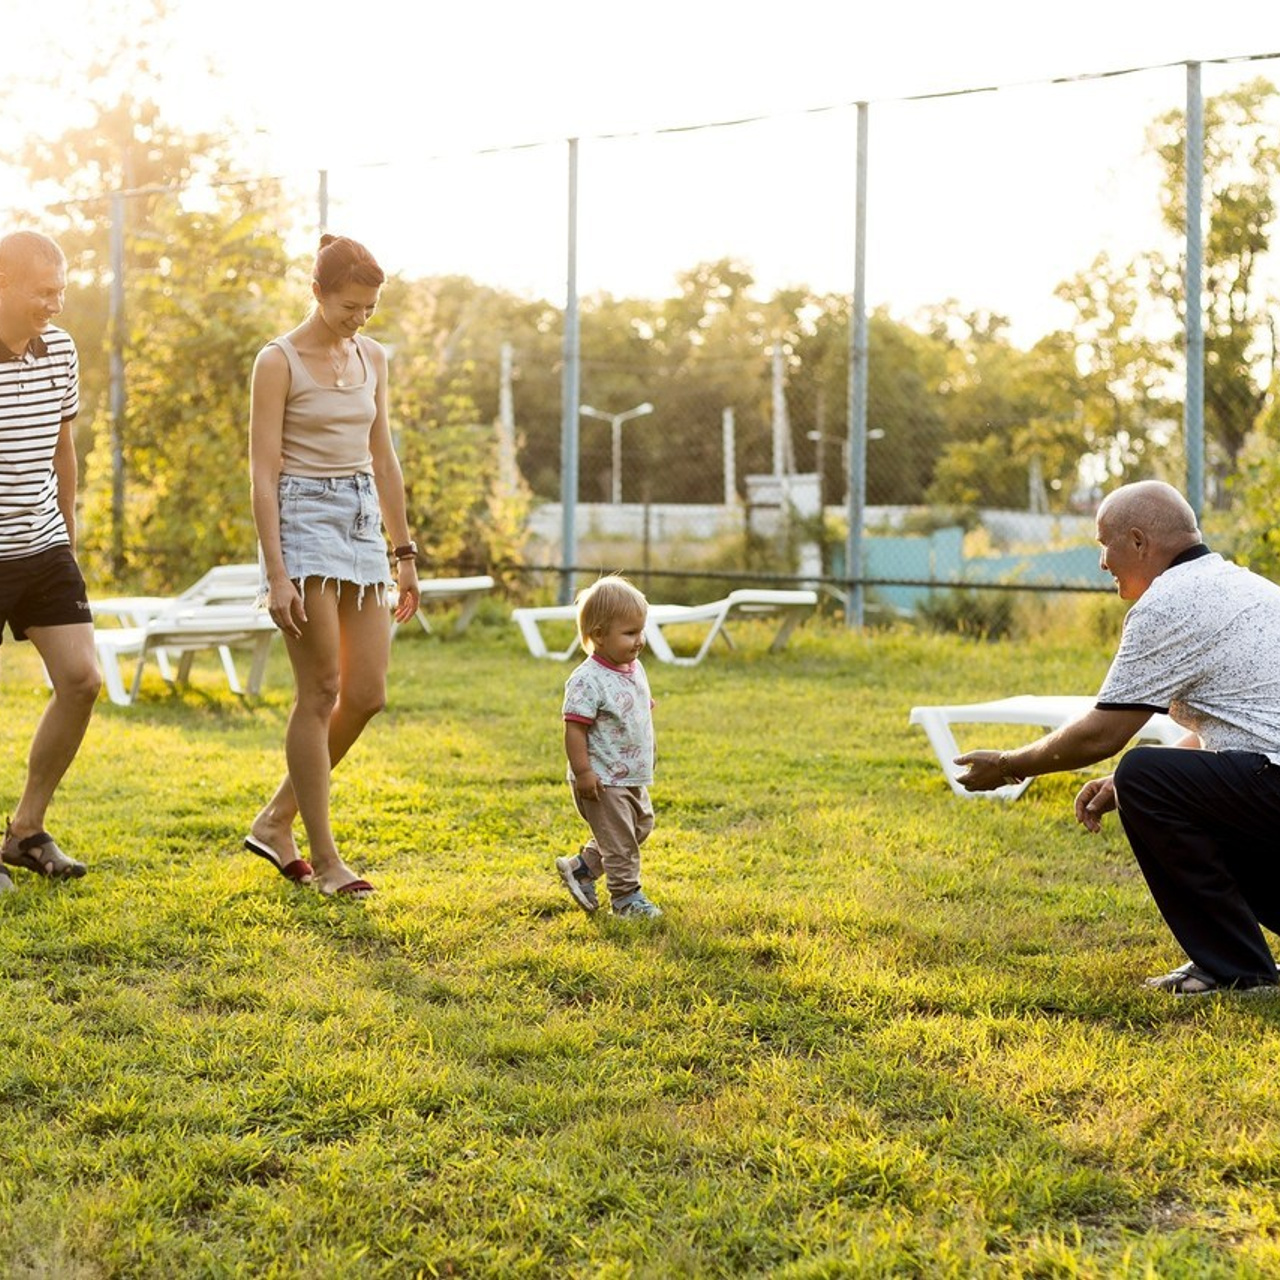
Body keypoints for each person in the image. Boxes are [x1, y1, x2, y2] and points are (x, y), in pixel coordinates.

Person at [955, 479, 1280, 995]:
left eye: (1102, 543)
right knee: (1147, 777)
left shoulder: (1171, 602)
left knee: (1143, 772)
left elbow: (1102, 734)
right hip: (1269, 785)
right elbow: (1248, 734)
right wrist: (1136, 784)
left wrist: (1008, 764)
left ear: (1137, 541)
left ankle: (1234, 969)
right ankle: (1237, 963)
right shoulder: (1245, 587)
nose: (1102, 562)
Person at [246, 234, 420, 898]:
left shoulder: (372, 355)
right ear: (316, 292)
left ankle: (274, 821)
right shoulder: (278, 361)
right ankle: (325, 860)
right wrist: (277, 572)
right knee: (319, 691)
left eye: (370, 308)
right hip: (302, 521)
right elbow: (262, 474)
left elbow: (384, 460)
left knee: (367, 693)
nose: (360, 320)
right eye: (350, 306)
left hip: (359, 521)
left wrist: (403, 554)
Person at [0, 231, 100, 893]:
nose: (53, 305)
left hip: (43, 546)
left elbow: (65, 444)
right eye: (41, 292)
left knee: (82, 679)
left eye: (59, 291)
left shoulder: (60, 349)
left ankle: (26, 831)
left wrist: (67, 525)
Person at [554, 575, 663, 918]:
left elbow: (636, 708)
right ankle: (626, 899)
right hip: (602, 777)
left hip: (631, 772)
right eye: (630, 633)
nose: (639, 641)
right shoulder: (587, 680)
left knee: (640, 827)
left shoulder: (634, 668)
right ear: (599, 635)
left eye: (641, 631)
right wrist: (584, 772)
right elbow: (574, 729)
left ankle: (582, 869)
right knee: (621, 842)